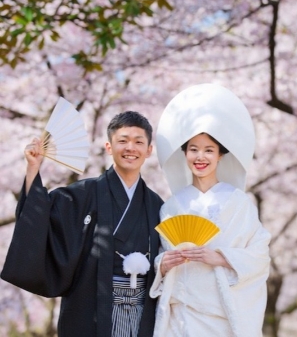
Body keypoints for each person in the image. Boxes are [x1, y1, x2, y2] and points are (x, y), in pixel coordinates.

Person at [1, 111, 163, 337]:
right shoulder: (82, 194)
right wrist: (33, 169)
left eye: (138, 142)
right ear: (108, 147)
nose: (130, 148)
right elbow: (40, 215)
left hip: (141, 313)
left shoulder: (157, 205)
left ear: (149, 150)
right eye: (122, 141)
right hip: (92, 310)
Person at [150, 83, 271, 337]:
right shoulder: (172, 205)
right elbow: (162, 253)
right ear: (184, 153)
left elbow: (260, 255)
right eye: (193, 149)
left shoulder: (239, 203)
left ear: (220, 156)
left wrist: (222, 257)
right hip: (180, 318)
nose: (200, 157)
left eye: (208, 150)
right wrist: (162, 264)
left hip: (221, 318)